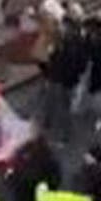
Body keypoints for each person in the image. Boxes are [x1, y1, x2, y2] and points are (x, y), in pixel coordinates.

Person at [40, 13, 89, 142]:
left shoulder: (74, 42)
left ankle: (66, 134)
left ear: (70, 27)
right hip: (57, 76)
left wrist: (73, 76)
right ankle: (48, 121)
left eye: (64, 26)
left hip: (65, 79)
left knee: (64, 107)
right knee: (51, 99)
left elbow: (79, 62)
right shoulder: (61, 40)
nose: (62, 28)